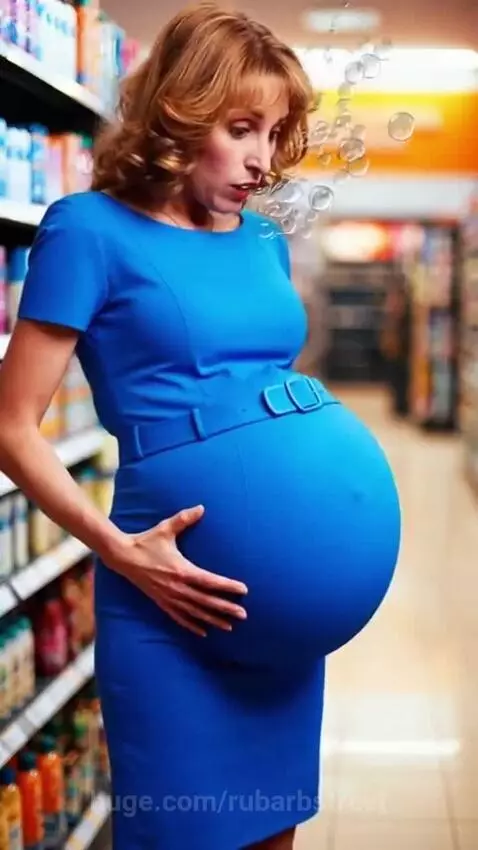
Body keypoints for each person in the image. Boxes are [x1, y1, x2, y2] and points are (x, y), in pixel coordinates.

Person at [0, 4, 401, 848]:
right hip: (169, 602)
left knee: (274, 834)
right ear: (179, 114)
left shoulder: (262, 241)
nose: (263, 158)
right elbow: (12, 427)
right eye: (241, 128)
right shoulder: (88, 229)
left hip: (279, 627)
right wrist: (116, 549)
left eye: (277, 132)